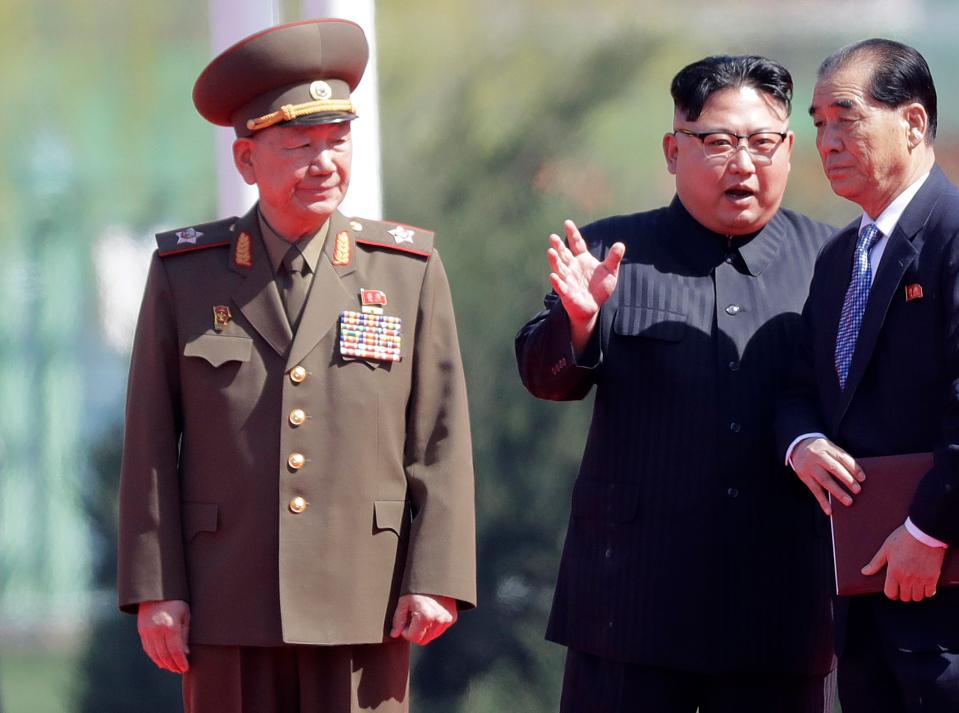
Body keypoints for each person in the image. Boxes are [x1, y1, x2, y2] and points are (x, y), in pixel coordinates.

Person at [116, 18, 476, 713]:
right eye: (299, 145)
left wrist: (435, 574)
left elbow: (439, 436)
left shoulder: (407, 270)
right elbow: (151, 440)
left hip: (364, 595)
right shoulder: (185, 274)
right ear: (246, 161)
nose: (324, 163)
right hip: (226, 596)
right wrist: (157, 587)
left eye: (337, 142)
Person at [515, 55, 836, 712]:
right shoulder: (609, 252)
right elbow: (543, 377)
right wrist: (578, 323)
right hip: (630, 608)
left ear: (788, 149)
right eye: (717, 142)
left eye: (762, 142)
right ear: (671, 150)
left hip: (776, 609)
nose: (742, 163)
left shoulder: (831, 262)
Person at [779, 38, 959, 712]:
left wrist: (926, 532)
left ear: (911, 123)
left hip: (943, 595)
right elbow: (801, 387)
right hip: (862, 608)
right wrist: (802, 443)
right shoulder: (837, 260)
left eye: (845, 118)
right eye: (817, 123)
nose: (825, 141)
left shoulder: (950, 236)